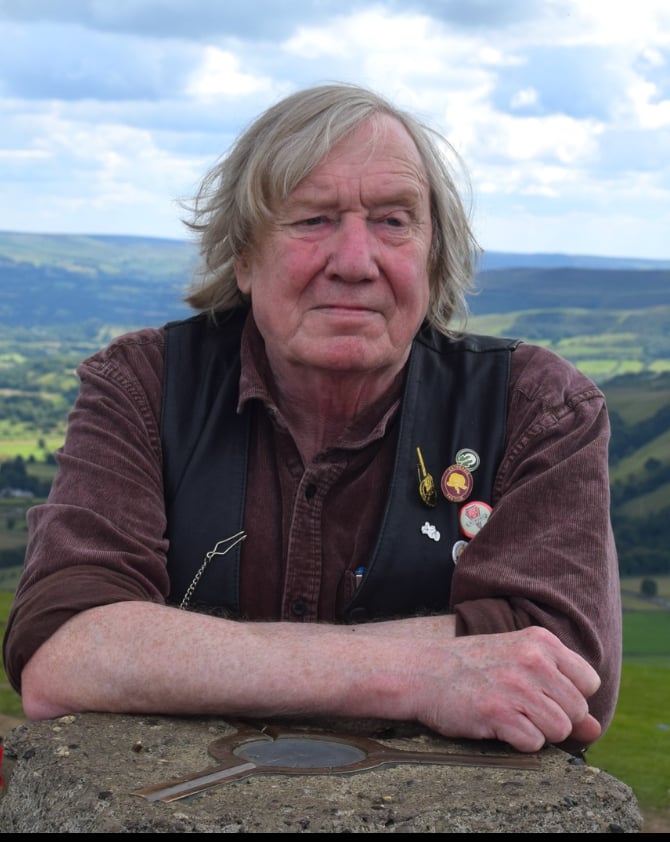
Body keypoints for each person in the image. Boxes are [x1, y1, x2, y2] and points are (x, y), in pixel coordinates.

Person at [2, 82, 621, 757]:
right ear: (243, 256)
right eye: (313, 219)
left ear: (433, 254)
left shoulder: (538, 409)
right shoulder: (145, 387)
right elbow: (64, 645)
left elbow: (567, 672)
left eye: (393, 221)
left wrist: (182, 657)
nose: (355, 263)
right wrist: (422, 672)